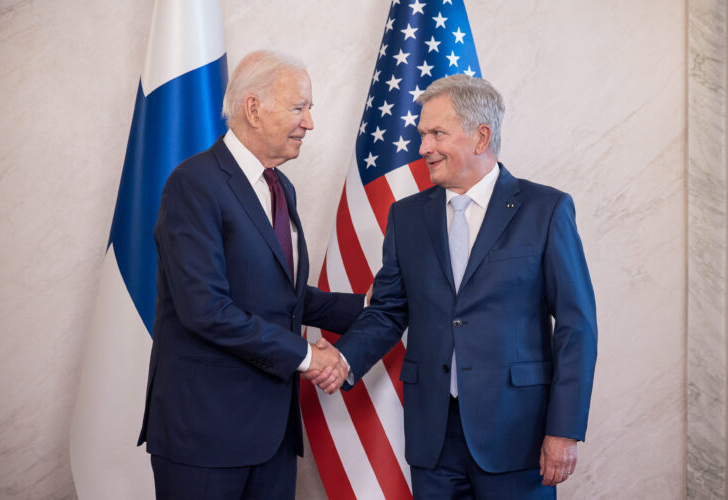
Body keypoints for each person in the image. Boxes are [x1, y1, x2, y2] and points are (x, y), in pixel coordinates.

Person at [326, 74, 597, 498]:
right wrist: (344, 359)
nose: (423, 148)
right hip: (433, 436)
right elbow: (388, 310)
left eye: (437, 133)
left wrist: (564, 430)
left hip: (517, 433)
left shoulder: (546, 210)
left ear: (480, 136)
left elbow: (576, 327)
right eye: (422, 134)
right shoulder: (406, 217)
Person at [137, 50, 365, 500]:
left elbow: (284, 296)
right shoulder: (194, 184)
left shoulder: (280, 186)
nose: (310, 123)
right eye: (300, 107)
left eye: (310, 109)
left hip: (272, 436)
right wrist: (306, 355)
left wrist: (376, 306)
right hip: (205, 433)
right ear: (254, 108)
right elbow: (206, 309)